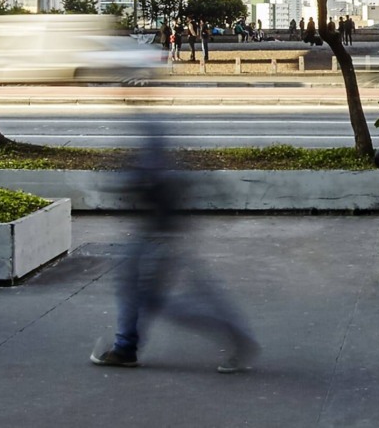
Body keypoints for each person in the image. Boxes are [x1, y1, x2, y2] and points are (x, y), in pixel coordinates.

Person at [92, 115, 259, 373]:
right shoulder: (159, 149)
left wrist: (125, 177)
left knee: (158, 299)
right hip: (153, 233)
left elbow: (146, 180)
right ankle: (125, 347)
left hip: (160, 236)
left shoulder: (155, 151)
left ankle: (236, 336)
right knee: (133, 287)